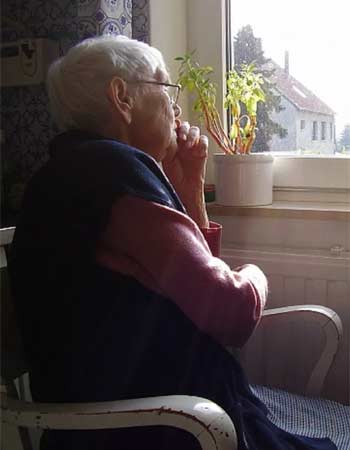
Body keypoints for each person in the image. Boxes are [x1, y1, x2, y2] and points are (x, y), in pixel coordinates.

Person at [9, 35, 337, 450]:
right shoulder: (115, 173)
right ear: (121, 97)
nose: (176, 106)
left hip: (114, 421)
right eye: (165, 87)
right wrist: (256, 274)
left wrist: (190, 190)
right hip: (160, 428)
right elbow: (229, 311)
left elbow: (192, 285)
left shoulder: (74, 170)